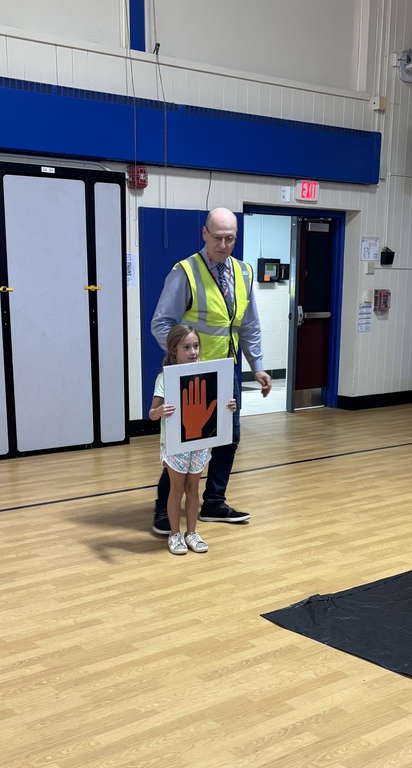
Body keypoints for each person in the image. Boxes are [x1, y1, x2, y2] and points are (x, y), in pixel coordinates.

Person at [150, 207, 272, 535]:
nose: (223, 243)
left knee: (227, 439)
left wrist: (256, 367)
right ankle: (165, 508)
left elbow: (249, 325)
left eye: (229, 238)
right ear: (204, 234)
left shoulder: (244, 272)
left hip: (226, 373)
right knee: (183, 444)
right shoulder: (185, 272)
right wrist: (183, 357)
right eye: (217, 237)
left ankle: (214, 502)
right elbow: (161, 323)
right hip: (192, 377)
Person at [149, 324, 237, 555]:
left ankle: (192, 532)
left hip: (199, 442)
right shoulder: (165, 379)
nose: (192, 352)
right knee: (176, 490)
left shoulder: (209, 373)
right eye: (186, 347)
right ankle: (174, 534)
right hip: (176, 443)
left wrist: (229, 407)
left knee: (193, 488)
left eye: (195, 346)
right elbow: (151, 413)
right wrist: (161, 412)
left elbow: (218, 405)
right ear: (174, 350)